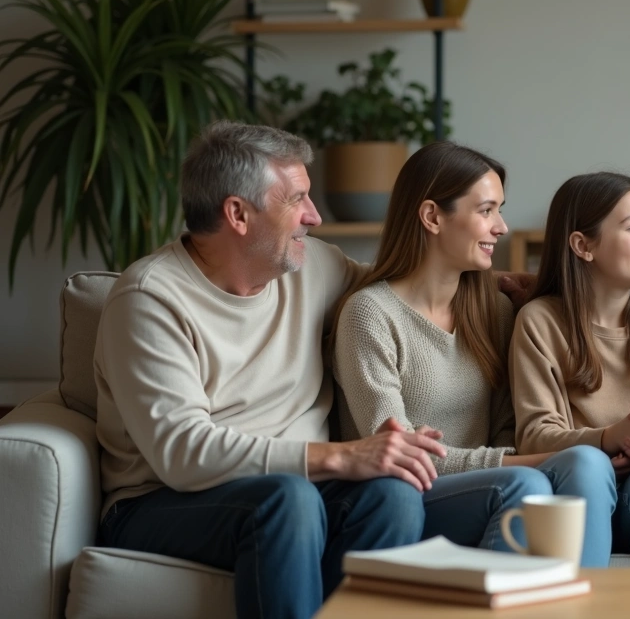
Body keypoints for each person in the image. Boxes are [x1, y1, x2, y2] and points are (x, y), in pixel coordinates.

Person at [94, 121, 444, 619]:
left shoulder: (313, 267)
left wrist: (511, 286)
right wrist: (342, 457)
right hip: (162, 500)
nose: (315, 216)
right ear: (237, 213)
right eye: (297, 199)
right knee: (289, 500)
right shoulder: (149, 299)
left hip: (295, 490)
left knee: (394, 495)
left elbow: (409, 293)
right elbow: (181, 452)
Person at [332, 141, 615, 565]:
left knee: (582, 465)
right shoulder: (369, 315)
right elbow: (397, 451)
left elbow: (505, 426)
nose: (501, 226)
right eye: (486, 211)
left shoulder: (493, 309)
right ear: (432, 216)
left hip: (485, 487)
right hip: (400, 496)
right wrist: (524, 463)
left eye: (499, 209)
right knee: (527, 486)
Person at [510, 172, 630, 566]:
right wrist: (611, 437)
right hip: (573, 490)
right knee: (589, 465)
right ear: (583, 245)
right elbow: (534, 435)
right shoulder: (540, 322)